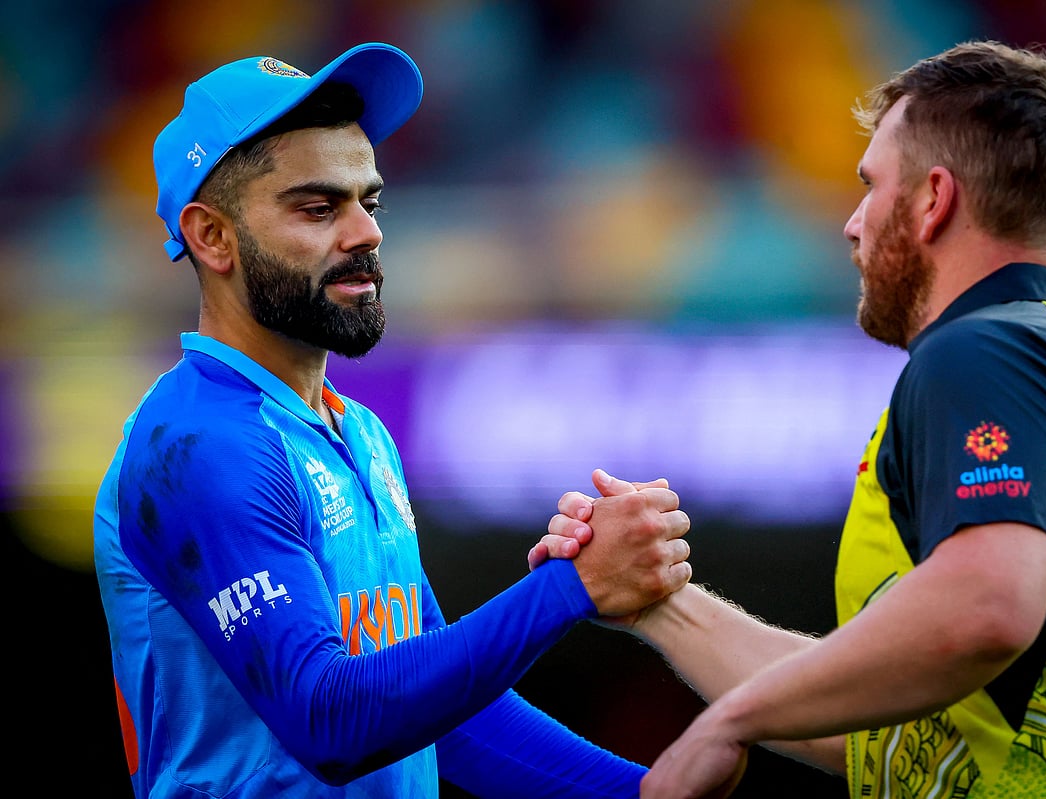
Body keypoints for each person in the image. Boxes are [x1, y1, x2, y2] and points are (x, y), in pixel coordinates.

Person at [537, 40, 1046, 798]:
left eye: (870, 185)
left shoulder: (985, 349)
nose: (851, 224)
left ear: (932, 199)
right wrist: (659, 602)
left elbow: (987, 608)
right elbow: (889, 737)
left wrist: (728, 720)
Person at [92, 42, 697, 799]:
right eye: (318, 208)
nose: (365, 234)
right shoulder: (200, 444)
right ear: (212, 237)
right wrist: (569, 589)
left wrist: (638, 793)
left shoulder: (361, 433)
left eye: (367, 203)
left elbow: (445, 716)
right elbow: (331, 719)